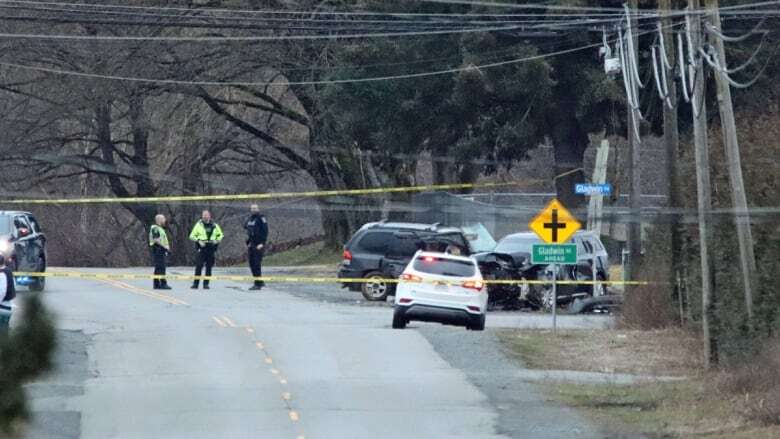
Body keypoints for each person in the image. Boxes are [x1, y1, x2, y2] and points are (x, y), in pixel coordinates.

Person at [189, 210, 224, 290]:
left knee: (209, 267)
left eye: (206, 215)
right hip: (202, 247)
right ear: (202, 216)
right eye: (204, 215)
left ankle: (206, 284)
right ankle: (195, 284)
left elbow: (221, 235)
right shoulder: (198, 225)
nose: (205, 217)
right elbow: (191, 236)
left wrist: (217, 241)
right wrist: (199, 241)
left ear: (209, 216)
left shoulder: (214, 225)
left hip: (211, 247)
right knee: (199, 265)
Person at [244, 204, 268, 291]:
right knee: (251, 264)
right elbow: (245, 227)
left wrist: (262, 243)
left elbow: (265, 231)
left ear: (258, 209)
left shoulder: (261, 218)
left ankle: (257, 284)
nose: (254, 210)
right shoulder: (250, 218)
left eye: (255, 208)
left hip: (259, 244)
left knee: (256, 264)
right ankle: (260, 281)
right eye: (252, 208)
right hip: (251, 244)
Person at [149, 214, 172, 290]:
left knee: (158, 267)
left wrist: (167, 248)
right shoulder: (155, 228)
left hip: (161, 249)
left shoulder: (160, 228)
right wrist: (164, 247)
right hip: (158, 248)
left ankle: (156, 284)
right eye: (163, 219)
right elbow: (156, 239)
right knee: (161, 267)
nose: (165, 220)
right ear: (159, 220)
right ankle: (163, 283)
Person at [0, 255, 15, 331]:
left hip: (2, 307)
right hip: (7, 305)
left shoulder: (2, 273)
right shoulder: (8, 271)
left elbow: (2, 291)